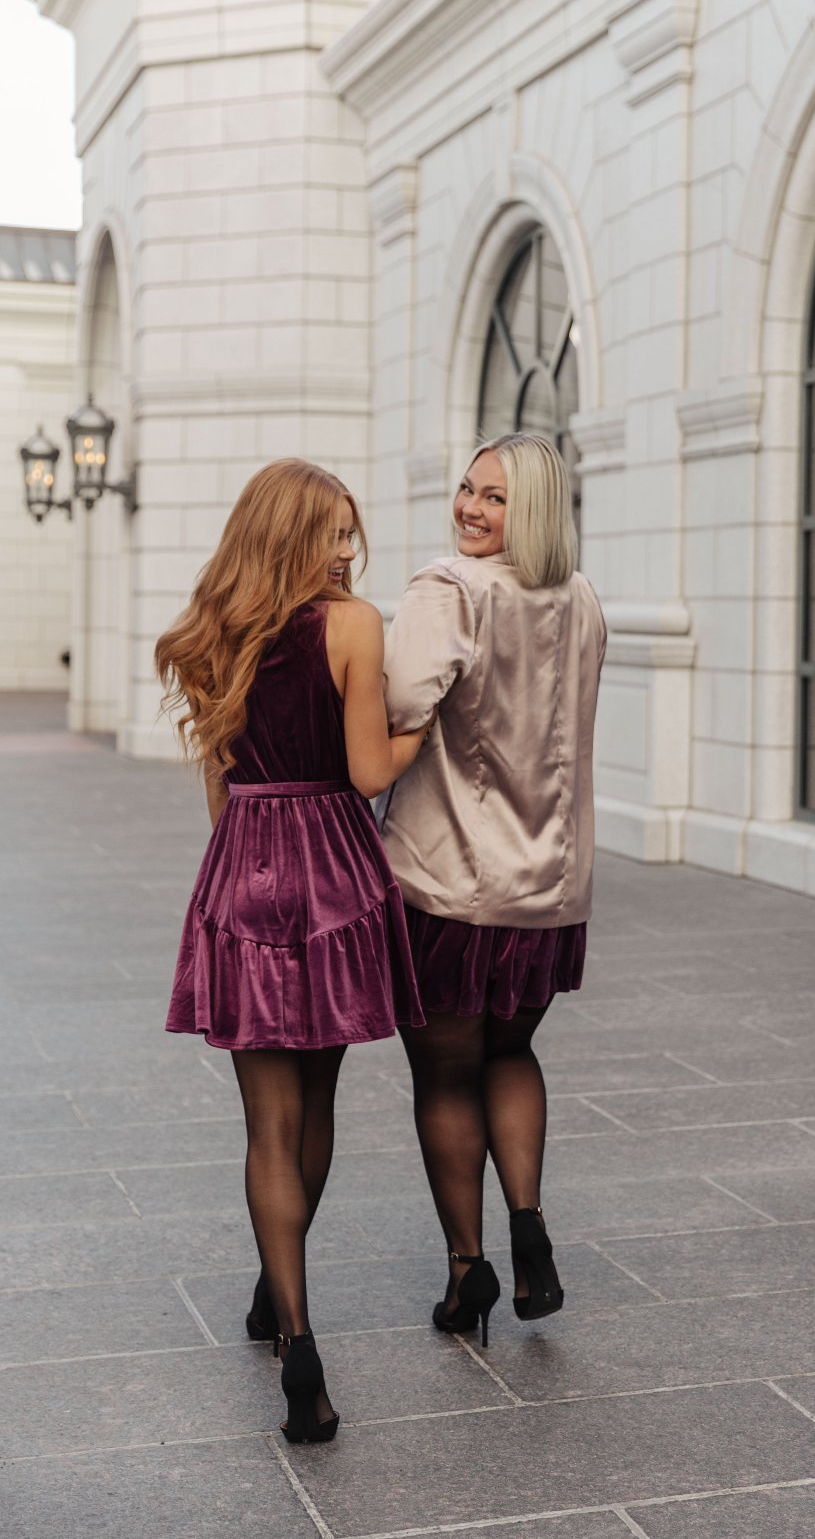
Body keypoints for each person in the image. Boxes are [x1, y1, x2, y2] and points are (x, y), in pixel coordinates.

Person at [157, 458, 428, 1442]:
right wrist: (419, 730)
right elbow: (364, 773)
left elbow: (220, 783)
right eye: (332, 534)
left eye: (351, 533)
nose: (348, 551)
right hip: (327, 871)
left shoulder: (211, 630)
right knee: (314, 1103)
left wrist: (240, 859)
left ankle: (291, 1320)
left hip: (243, 863)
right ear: (292, 536)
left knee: (264, 1121)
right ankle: (289, 1314)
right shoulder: (353, 626)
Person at [381, 432, 606, 1346]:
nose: (469, 509)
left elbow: (398, 704)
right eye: (466, 490)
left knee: (444, 1073)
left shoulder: (450, 589)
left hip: (449, 885)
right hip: (549, 889)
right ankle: (531, 1231)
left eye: (494, 498)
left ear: (535, 511)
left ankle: (467, 1270)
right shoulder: (582, 599)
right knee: (510, 1055)